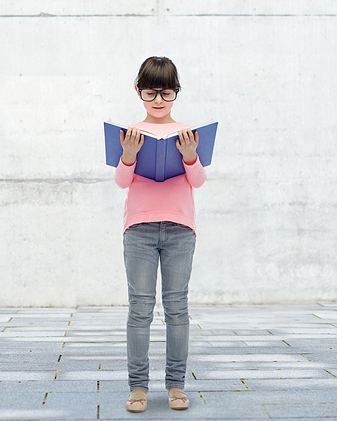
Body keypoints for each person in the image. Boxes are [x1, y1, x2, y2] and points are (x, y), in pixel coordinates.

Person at [114, 56, 207, 412]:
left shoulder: (187, 133)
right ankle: (138, 387)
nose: (158, 100)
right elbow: (123, 182)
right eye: (151, 92)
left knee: (176, 308)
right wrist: (128, 155)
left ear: (175, 93)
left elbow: (197, 181)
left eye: (166, 93)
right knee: (140, 308)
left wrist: (189, 155)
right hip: (138, 229)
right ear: (139, 92)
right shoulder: (131, 134)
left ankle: (176, 385)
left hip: (180, 229)